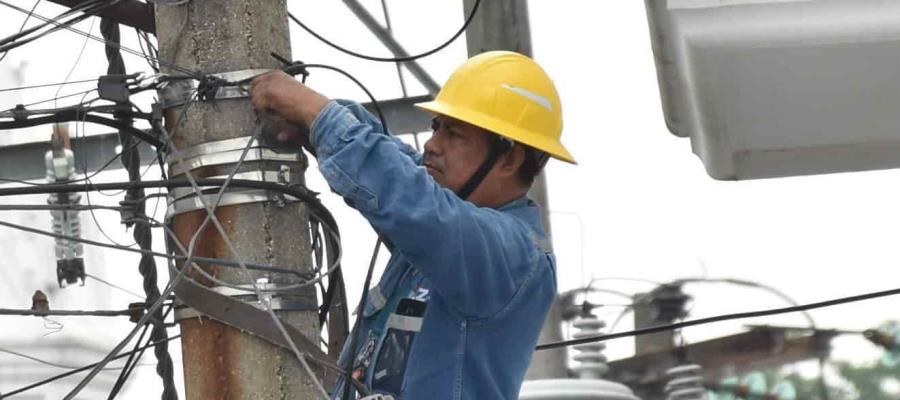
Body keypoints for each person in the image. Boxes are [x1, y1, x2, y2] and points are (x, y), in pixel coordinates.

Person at [249, 51, 576, 400]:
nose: (432, 144)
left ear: (509, 158)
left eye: (455, 133)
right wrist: (316, 125)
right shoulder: (435, 242)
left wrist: (320, 116)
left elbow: (412, 200)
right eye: (436, 126)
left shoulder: (510, 257)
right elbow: (400, 170)